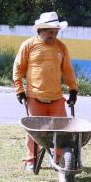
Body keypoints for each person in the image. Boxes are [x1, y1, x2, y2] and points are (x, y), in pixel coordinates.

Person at [13, 11, 78, 170]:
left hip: (56, 98)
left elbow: (68, 71)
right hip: (34, 97)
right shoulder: (28, 45)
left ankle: (58, 160)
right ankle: (31, 161)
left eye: (55, 32)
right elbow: (18, 68)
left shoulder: (61, 47)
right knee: (34, 133)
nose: (53, 35)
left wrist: (73, 90)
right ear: (40, 30)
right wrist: (19, 90)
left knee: (61, 132)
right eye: (50, 32)